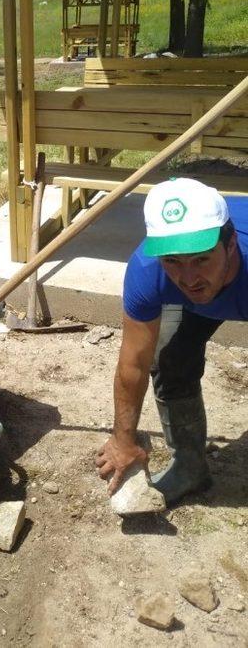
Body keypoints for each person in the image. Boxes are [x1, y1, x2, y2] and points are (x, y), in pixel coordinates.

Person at [97, 177, 248, 505]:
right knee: (171, 358)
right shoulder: (148, 270)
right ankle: (191, 467)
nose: (189, 278)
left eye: (201, 259)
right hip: (217, 292)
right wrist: (123, 441)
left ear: (231, 244)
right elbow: (133, 361)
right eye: (173, 261)